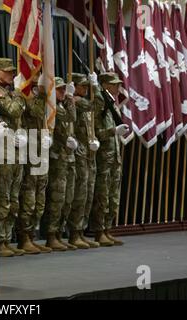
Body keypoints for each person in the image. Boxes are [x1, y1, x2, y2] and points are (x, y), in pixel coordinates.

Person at [0, 58, 27, 257]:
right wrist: (20, 93)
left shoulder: (10, 93)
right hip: (3, 152)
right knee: (3, 199)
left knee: (14, 199)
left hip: (16, 150)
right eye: (8, 72)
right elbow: (14, 110)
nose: (12, 75)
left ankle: (6, 238)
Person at [91, 72, 128, 246]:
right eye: (114, 84)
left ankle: (107, 228)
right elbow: (95, 132)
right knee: (103, 195)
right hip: (103, 157)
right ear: (105, 85)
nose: (117, 87)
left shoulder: (112, 104)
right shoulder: (100, 103)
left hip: (114, 157)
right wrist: (113, 132)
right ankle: (99, 231)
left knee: (113, 196)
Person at [17, 73, 52, 254]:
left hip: (40, 150)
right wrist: (40, 92)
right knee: (29, 199)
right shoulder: (24, 95)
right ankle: (24, 238)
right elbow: (35, 111)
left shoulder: (39, 96)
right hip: (30, 151)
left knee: (40, 199)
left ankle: (32, 235)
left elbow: (43, 117)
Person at [43, 77, 78, 251]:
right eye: (60, 90)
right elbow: (71, 116)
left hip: (66, 158)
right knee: (56, 198)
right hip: (55, 158)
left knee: (67, 198)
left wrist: (69, 99)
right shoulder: (51, 107)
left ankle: (58, 233)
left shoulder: (62, 105)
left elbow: (72, 118)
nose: (63, 93)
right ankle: (50, 234)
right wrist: (71, 99)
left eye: (65, 90)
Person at [67, 73, 101, 249]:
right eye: (83, 86)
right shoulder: (77, 101)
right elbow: (97, 105)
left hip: (89, 152)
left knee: (88, 193)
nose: (86, 89)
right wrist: (96, 88)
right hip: (79, 152)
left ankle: (81, 231)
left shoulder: (82, 102)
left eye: (88, 86)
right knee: (80, 194)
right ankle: (74, 232)